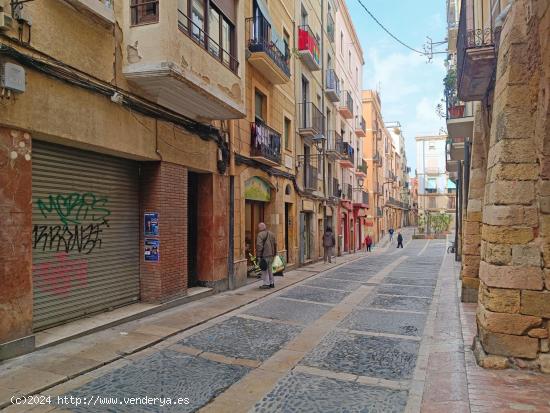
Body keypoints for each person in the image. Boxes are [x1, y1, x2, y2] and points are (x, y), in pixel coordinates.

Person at [256, 222, 277, 289]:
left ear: (261, 228)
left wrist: (259, 256)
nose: (258, 229)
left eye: (259, 227)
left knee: (264, 269)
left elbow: (259, 246)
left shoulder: (260, 234)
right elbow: (275, 244)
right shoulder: (272, 234)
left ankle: (266, 283)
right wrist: (275, 253)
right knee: (270, 269)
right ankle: (272, 283)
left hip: (264, 255)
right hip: (271, 254)